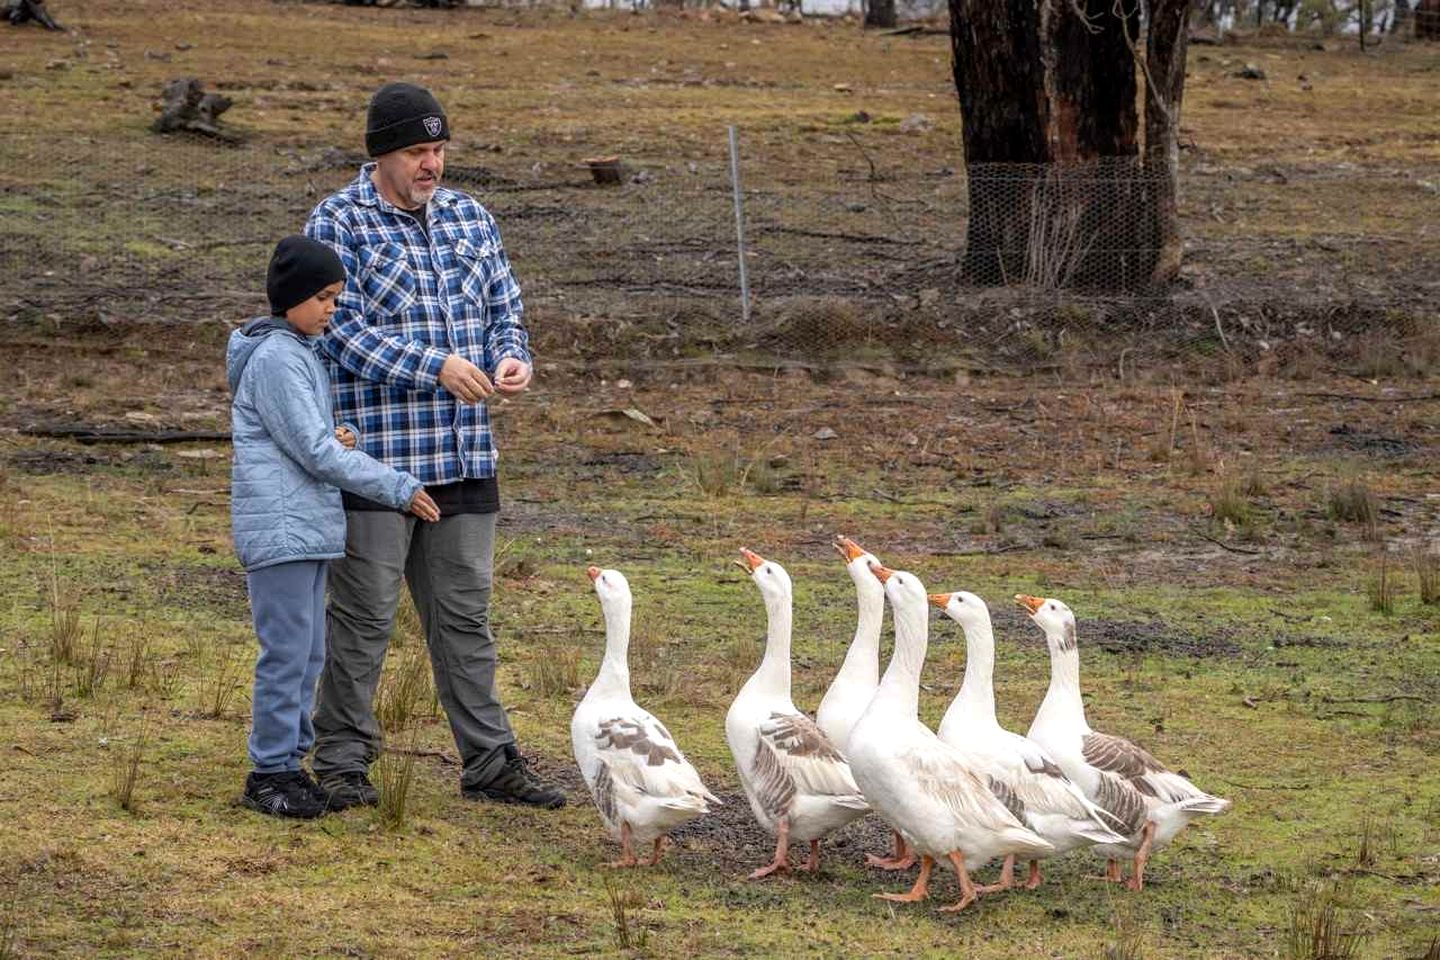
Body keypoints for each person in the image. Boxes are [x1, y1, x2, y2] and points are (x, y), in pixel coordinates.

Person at [305, 82, 565, 810]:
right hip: (377, 460)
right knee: (363, 617)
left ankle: (488, 761)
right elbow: (336, 329)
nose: (432, 163)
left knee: (465, 616)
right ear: (381, 152)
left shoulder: (470, 217)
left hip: (463, 456)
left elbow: (503, 307)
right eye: (418, 151)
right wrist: (436, 366)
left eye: (439, 148)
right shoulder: (337, 222)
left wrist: (514, 356)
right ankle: (344, 762)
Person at [228, 235, 440, 819]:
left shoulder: (298, 352)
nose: (331, 309)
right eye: (322, 297)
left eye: (336, 297)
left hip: (307, 526)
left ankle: (289, 767)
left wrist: (332, 434)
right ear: (291, 296)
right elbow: (315, 453)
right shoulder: (276, 358)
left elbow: (306, 440)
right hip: (283, 530)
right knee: (288, 653)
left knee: (309, 652)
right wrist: (398, 485)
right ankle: (269, 771)